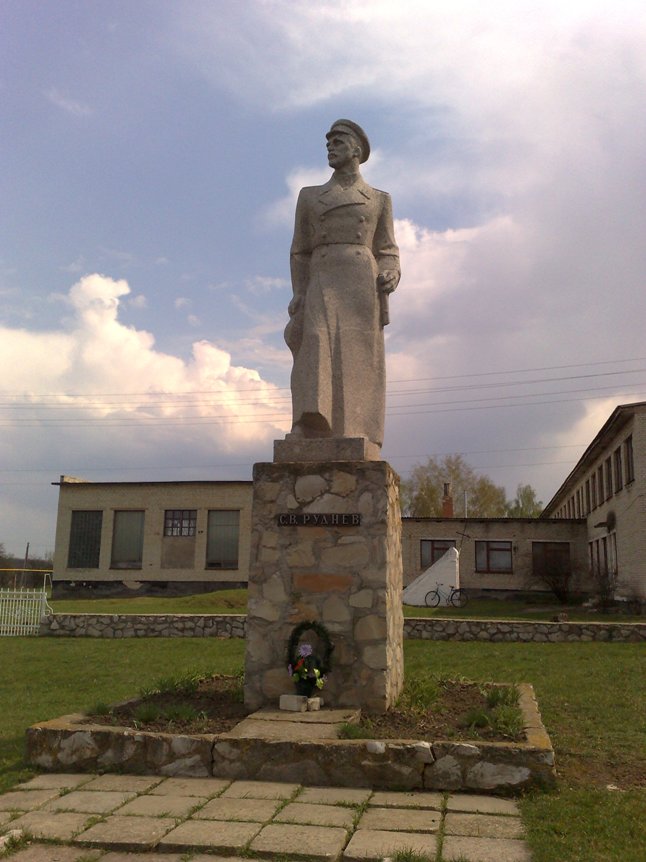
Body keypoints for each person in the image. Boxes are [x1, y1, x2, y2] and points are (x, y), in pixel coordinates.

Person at [285, 119, 400, 449]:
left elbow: (387, 250)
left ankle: (356, 428)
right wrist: (299, 292)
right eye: (328, 143)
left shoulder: (378, 200)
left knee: (358, 356)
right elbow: (300, 250)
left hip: (361, 282)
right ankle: (308, 423)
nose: (330, 147)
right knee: (315, 343)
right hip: (322, 277)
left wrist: (391, 272)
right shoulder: (310, 197)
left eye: (337, 142)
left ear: (356, 150)